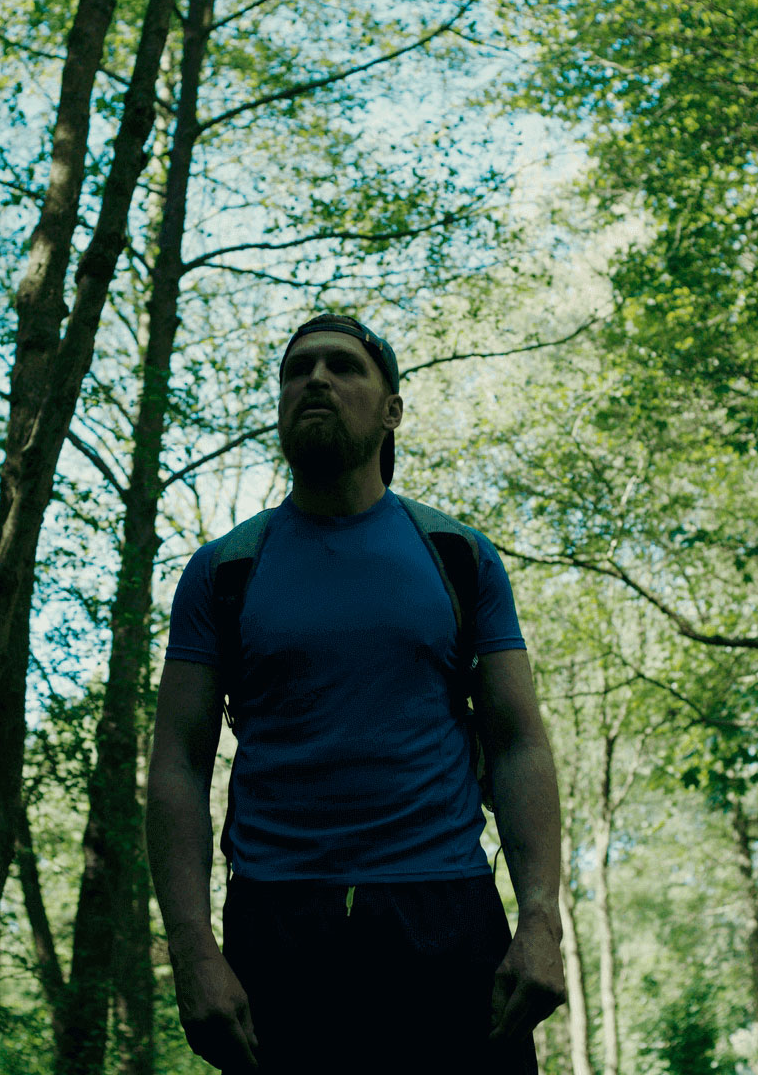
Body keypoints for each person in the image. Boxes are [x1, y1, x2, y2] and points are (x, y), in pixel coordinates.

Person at [146, 313, 567, 1074]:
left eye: (344, 366)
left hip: (447, 918)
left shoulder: (459, 558)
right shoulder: (224, 572)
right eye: (297, 369)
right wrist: (191, 946)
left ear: (392, 410)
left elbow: (518, 741)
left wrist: (541, 918)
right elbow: (177, 760)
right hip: (277, 931)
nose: (315, 378)